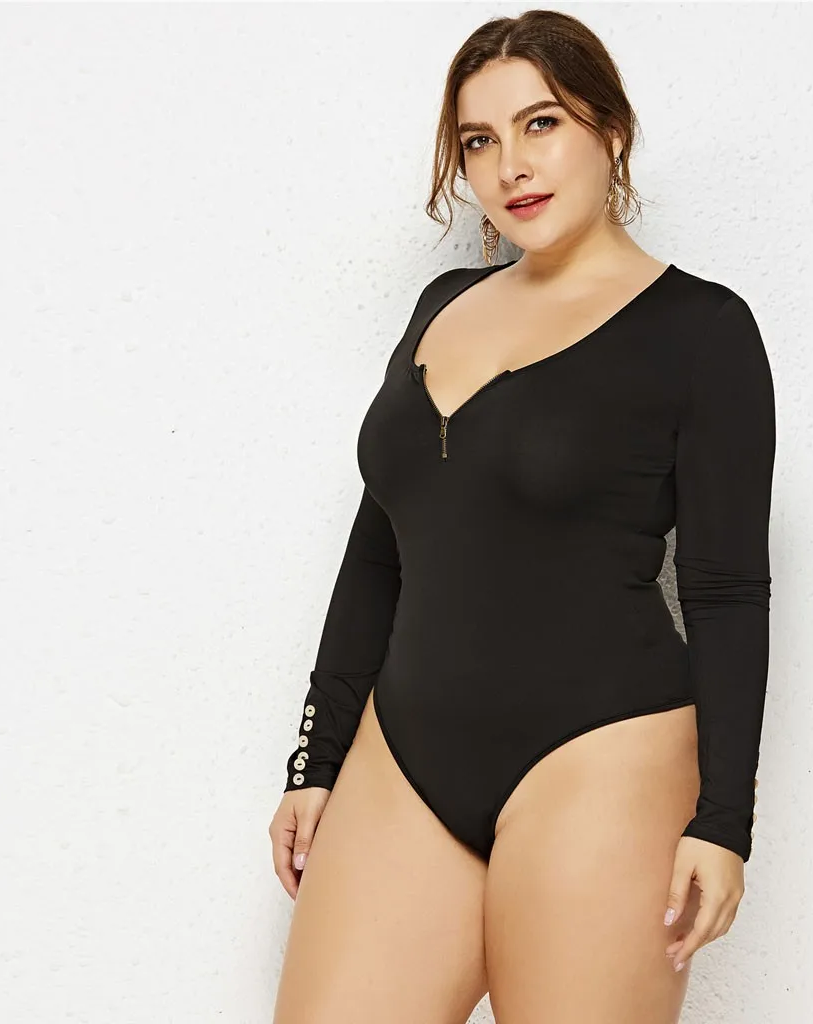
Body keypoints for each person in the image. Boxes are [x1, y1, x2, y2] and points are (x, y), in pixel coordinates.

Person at [269, 9, 775, 1023]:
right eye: (479, 140)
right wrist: (316, 760)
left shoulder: (701, 330)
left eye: (542, 123)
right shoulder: (440, 304)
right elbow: (380, 552)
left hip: (602, 756)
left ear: (609, 130)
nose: (511, 166)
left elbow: (726, 590)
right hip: (406, 755)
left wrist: (724, 822)